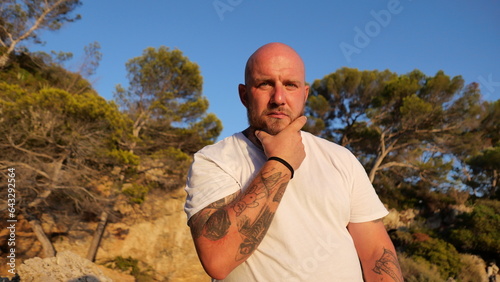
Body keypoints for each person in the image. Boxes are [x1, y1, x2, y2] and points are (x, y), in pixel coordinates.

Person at [184, 42, 403, 281]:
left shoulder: (341, 158)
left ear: (305, 94)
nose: (278, 98)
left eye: (290, 85)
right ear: (244, 95)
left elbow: (375, 253)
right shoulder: (214, 160)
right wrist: (280, 162)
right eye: (265, 84)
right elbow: (217, 259)